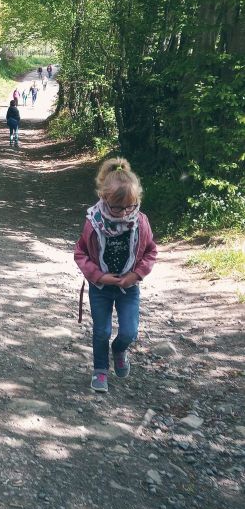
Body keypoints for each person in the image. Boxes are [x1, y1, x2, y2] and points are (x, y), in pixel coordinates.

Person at [74, 157, 156, 393]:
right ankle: (100, 370)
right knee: (102, 331)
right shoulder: (93, 222)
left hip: (128, 287)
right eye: (117, 208)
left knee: (129, 332)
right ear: (104, 198)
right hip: (100, 287)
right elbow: (80, 253)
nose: (124, 212)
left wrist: (136, 275)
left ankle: (119, 349)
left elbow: (151, 251)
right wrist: (98, 276)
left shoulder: (140, 222)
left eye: (130, 206)